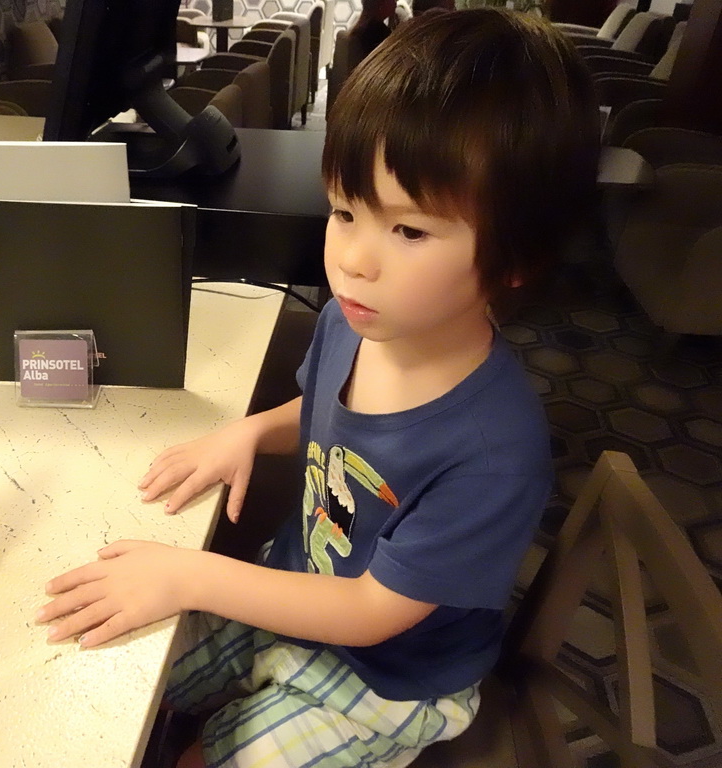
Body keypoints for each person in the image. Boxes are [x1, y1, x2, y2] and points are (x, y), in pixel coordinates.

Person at [36, 8, 601, 767]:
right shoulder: (351, 323)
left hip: (388, 679)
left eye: (408, 230)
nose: (355, 259)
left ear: (514, 258)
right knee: (123, 665)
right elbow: (328, 408)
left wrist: (192, 573)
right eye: (344, 210)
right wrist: (252, 431)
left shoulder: (495, 450)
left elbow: (373, 613)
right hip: (291, 588)